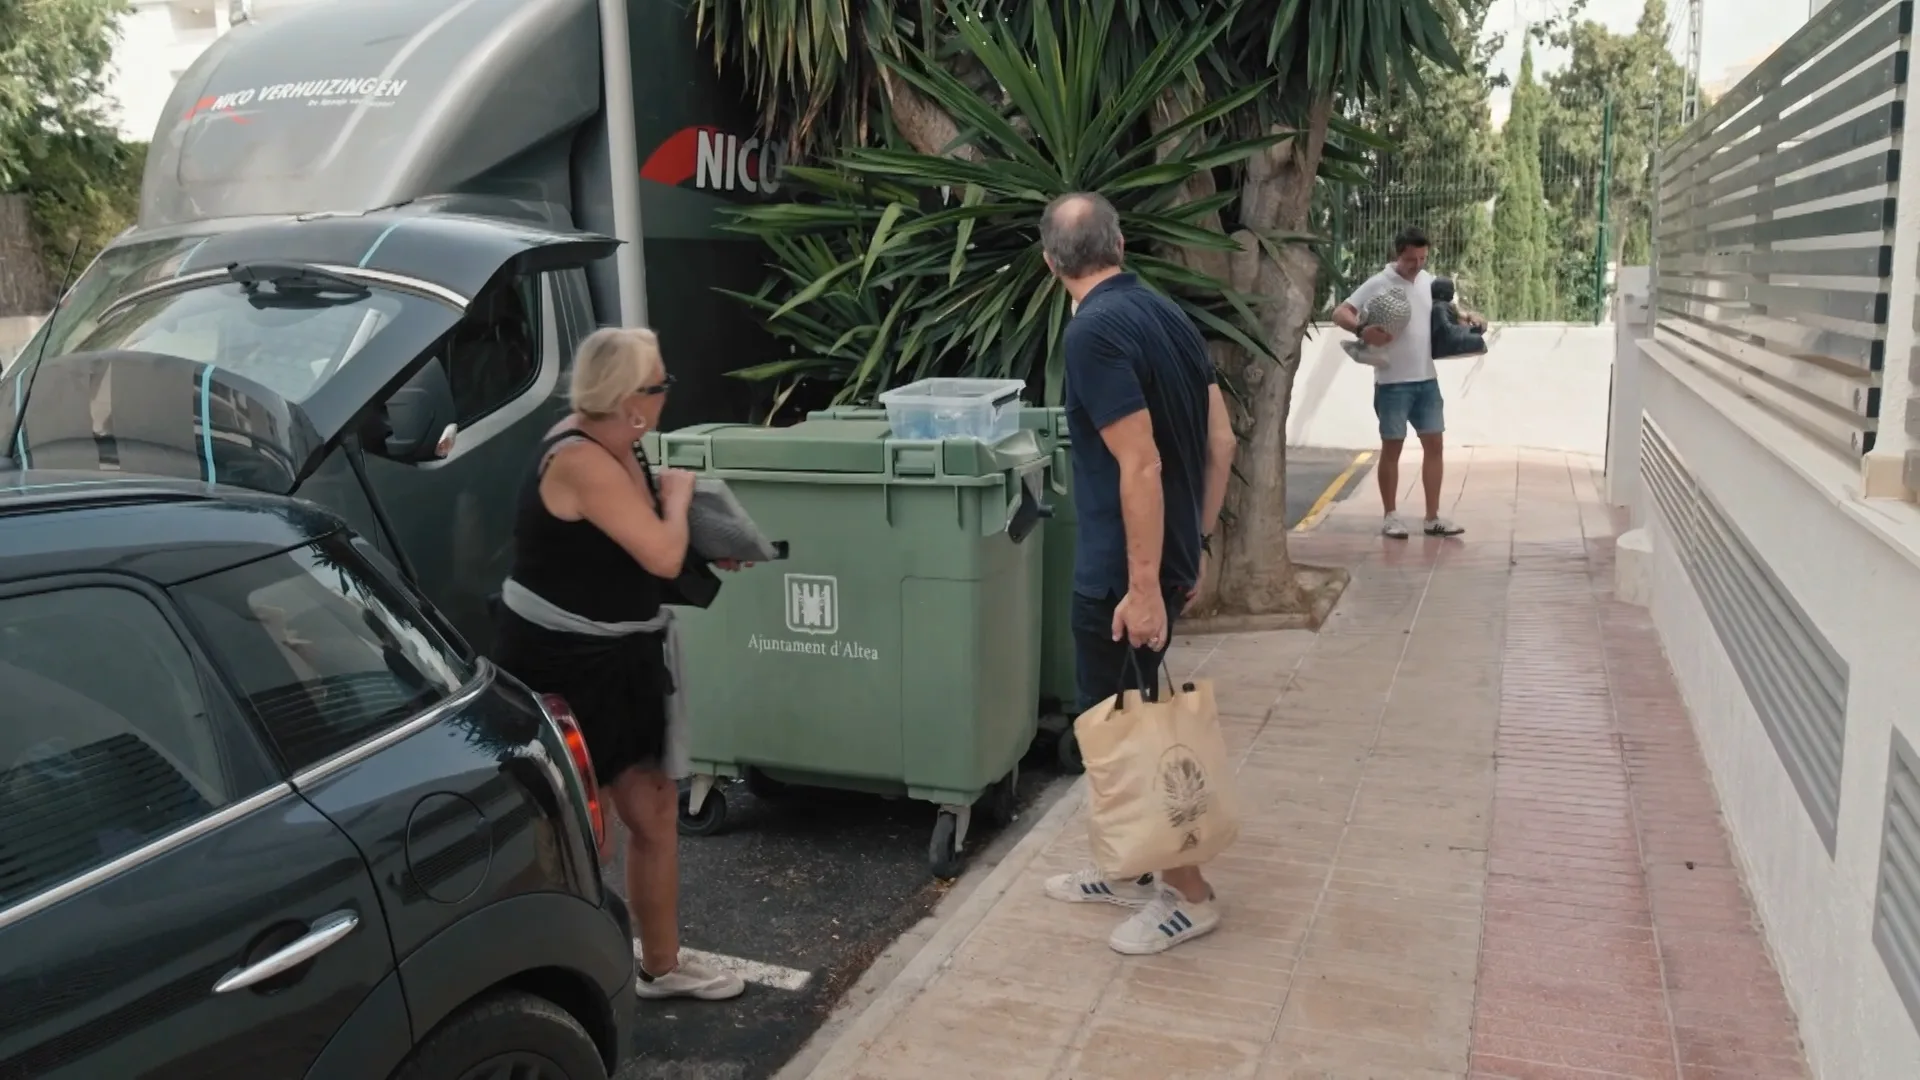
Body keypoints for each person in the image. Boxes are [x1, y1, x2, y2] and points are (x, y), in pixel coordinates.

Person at [492, 326, 747, 1001]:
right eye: (661, 385)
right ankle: (553, 980)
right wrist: (681, 501)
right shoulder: (579, 457)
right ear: (632, 400)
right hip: (563, 661)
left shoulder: (621, 444)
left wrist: (704, 540)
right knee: (584, 835)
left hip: (622, 653)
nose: (667, 396)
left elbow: (633, 547)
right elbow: (659, 553)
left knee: (655, 811)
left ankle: (661, 965)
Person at [1036, 192, 1239, 955]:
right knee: (1122, 716)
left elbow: (1141, 464)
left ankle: (1188, 895)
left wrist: (1144, 586)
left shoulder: (1092, 333)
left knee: (1130, 730)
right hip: (1164, 556)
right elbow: (1221, 442)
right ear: (1119, 244)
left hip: (1121, 577)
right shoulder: (1168, 315)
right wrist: (1198, 542)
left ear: (1050, 263)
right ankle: (1126, 864)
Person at [1332, 226, 1484, 539]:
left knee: (1435, 446)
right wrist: (1361, 330)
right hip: (1392, 383)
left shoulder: (1429, 282)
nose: (1418, 265)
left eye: (1423, 258)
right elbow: (1340, 312)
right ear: (1397, 254)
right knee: (1392, 448)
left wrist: (1468, 318)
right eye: (1412, 259)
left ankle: (1432, 518)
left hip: (1427, 382)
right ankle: (1391, 517)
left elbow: (1446, 314)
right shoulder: (1379, 282)